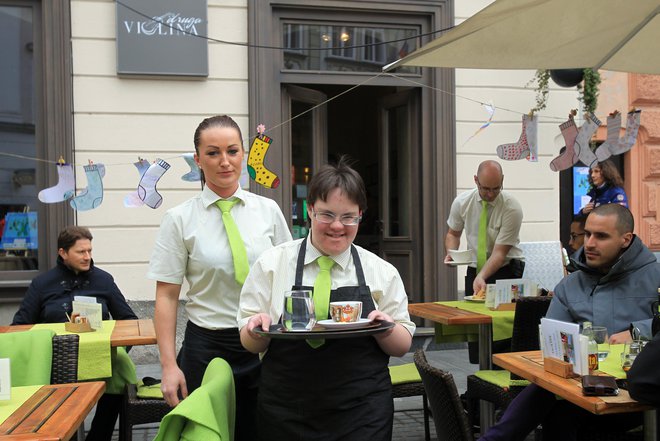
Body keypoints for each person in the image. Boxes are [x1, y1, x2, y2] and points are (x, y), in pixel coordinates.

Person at [238, 157, 415, 441]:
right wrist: (256, 329)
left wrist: (387, 327)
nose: (337, 226)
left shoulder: (381, 272)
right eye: (327, 215)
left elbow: (402, 346)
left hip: (362, 410)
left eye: (348, 217)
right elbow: (249, 343)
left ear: (360, 215)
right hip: (286, 408)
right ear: (310, 210)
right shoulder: (273, 263)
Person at [147, 115, 292, 441]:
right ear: (197, 160)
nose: (224, 161)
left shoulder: (268, 211)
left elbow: (290, 278)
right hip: (206, 347)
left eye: (232, 150)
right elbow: (167, 297)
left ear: (244, 154)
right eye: (213, 153)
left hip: (264, 345)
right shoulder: (179, 219)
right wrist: (168, 367)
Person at [479, 204, 660, 441]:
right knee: (553, 400)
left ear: (626, 239)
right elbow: (553, 346)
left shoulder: (654, 276)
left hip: (643, 388)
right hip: (582, 387)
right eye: (587, 234)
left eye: (601, 236)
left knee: (552, 404)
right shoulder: (570, 285)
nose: (590, 243)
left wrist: (638, 331)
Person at [12, 225, 137, 441]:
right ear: (63, 253)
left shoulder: (104, 280)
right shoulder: (42, 284)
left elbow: (129, 320)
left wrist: (116, 347)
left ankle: (99, 436)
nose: (87, 257)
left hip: (101, 356)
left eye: (90, 251)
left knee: (121, 367)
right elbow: (20, 326)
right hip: (56, 359)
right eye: (81, 252)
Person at [444, 160, 524, 296]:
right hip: (474, 269)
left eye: (496, 188)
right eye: (486, 188)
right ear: (476, 180)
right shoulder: (462, 202)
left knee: (503, 315)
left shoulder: (512, 208)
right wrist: (451, 253)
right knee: (472, 315)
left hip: (506, 269)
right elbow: (453, 234)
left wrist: (482, 276)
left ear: (502, 179)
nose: (491, 194)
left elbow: (500, 253)